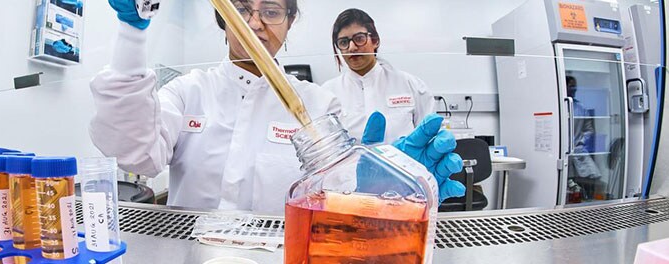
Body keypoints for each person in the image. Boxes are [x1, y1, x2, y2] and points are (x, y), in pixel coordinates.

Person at [90, 0, 464, 214]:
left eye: (270, 11)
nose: (254, 24)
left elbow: (338, 190)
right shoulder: (189, 91)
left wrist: (384, 186)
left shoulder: (316, 103)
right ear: (224, 20)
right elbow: (135, 154)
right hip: (191, 252)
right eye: (241, 10)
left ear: (289, 23)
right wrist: (131, 33)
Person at [322, 9, 436, 143]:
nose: (351, 47)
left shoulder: (411, 85)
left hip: (402, 164)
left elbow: (429, 138)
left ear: (375, 40)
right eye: (343, 42)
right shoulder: (328, 93)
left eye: (359, 39)